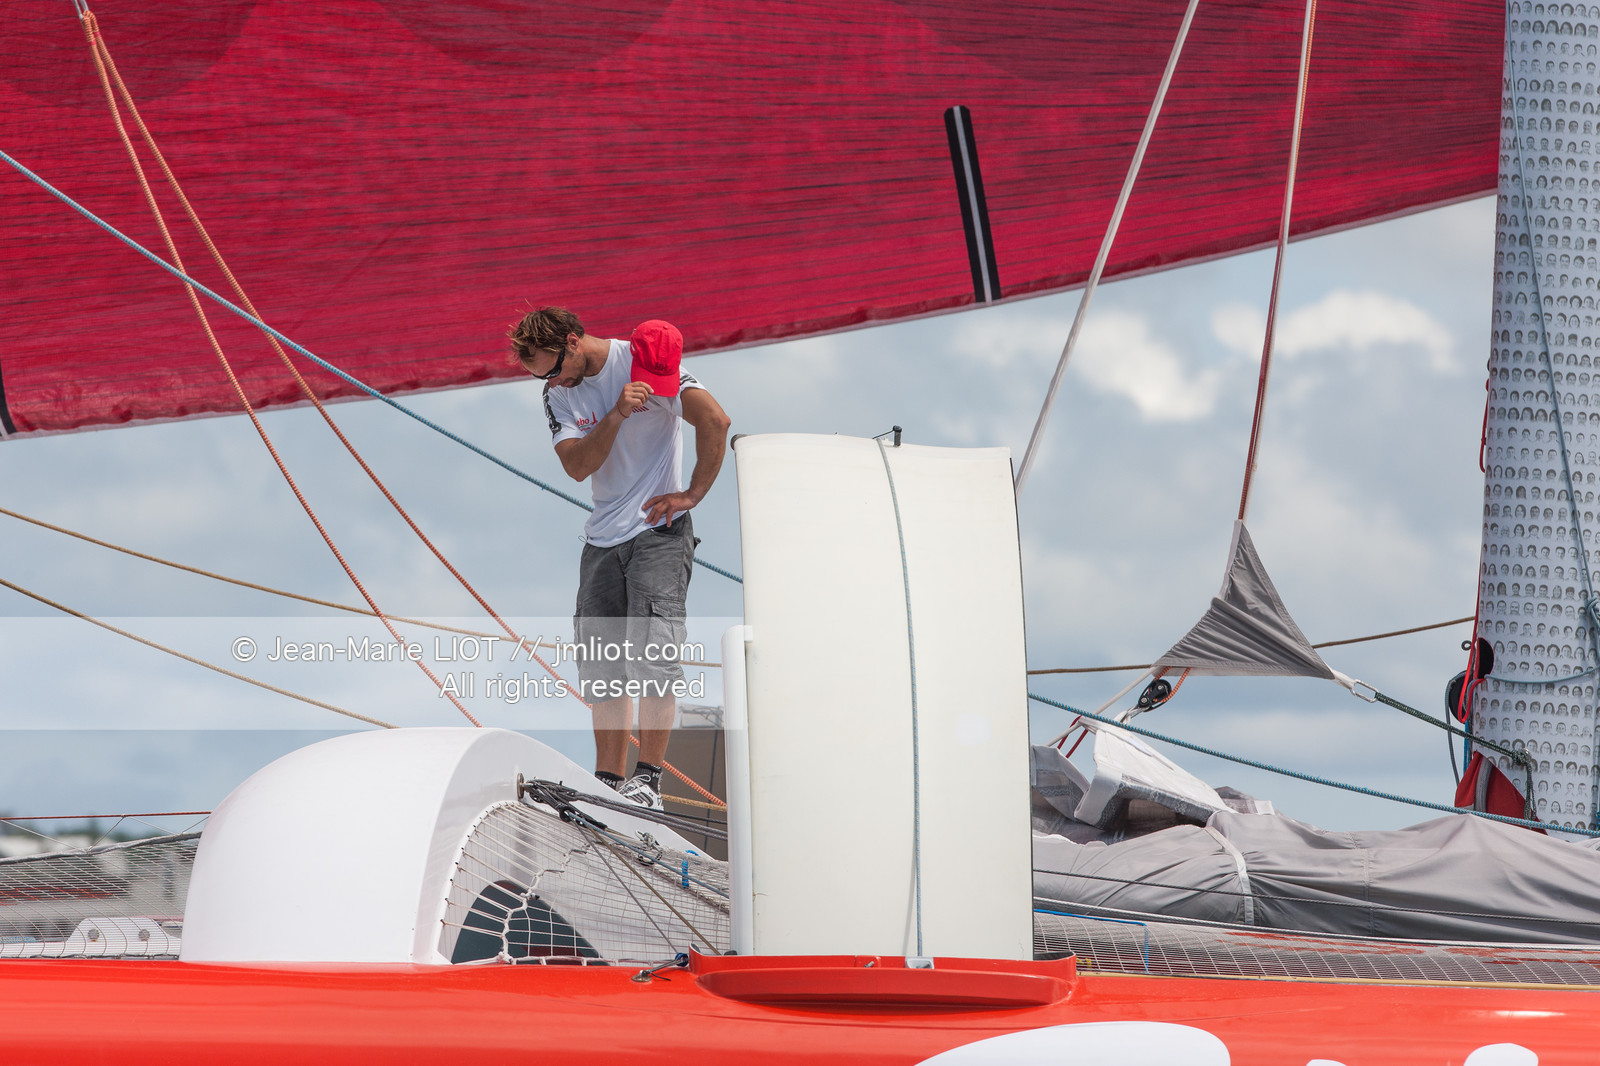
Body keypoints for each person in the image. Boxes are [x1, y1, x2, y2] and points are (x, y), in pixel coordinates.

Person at [509, 308, 731, 810]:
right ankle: (606, 782)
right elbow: (577, 465)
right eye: (541, 375)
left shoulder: (644, 361)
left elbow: (715, 420)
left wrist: (692, 493)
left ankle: (647, 781)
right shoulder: (557, 394)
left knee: (654, 657)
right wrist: (616, 414)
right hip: (602, 541)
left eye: (551, 368)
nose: (550, 381)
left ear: (572, 342)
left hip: (658, 531)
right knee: (602, 667)